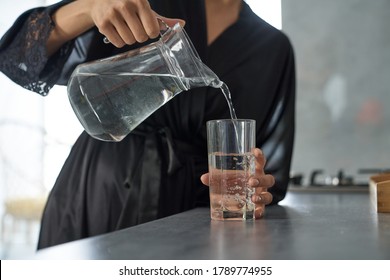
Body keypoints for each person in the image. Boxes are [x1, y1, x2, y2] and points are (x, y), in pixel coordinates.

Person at [0, 0, 295, 249]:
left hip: (192, 222)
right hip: (96, 194)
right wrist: (89, 7)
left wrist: (256, 183)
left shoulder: (272, 47)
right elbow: (16, 57)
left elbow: (267, 173)